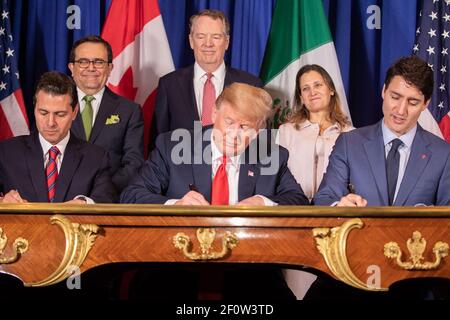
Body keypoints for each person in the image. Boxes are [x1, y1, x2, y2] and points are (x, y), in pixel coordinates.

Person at [121, 83, 308, 300]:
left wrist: (263, 202)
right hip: (175, 266)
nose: (233, 134)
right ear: (214, 113)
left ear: (258, 131)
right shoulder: (172, 147)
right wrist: (176, 205)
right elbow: (132, 195)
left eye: (245, 127)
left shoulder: (273, 155)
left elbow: (298, 202)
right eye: (229, 122)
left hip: (250, 271)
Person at [314, 56, 450, 207]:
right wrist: (339, 206)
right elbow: (325, 198)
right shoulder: (349, 144)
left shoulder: (444, 155)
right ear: (384, 91)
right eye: (395, 97)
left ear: (426, 103)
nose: (400, 110)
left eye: (412, 102)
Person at [277, 64, 353, 299]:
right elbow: (276, 178)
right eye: (305, 88)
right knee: (294, 285)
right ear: (300, 97)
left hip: (335, 223)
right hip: (294, 220)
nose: (312, 92)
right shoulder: (286, 131)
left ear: (330, 88)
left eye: (318, 85)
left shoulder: (352, 134)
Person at [151, 9, 262, 150]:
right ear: (191, 41)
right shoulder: (169, 85)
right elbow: (159, 142)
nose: (208, 43)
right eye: (201, 36)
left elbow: (260, 143)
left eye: (215, 37)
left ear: (226, 42)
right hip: (182, 168)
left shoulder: (251, 85)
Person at [0, 71, 116, 204]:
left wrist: (85, 204)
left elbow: (106, 200)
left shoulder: (96, 157)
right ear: (35, 109)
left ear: (74, 112)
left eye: (60, 114)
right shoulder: (6, 152)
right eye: (43, 113)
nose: (50, 123)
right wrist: (3, 201)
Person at [68, 35, 144, 192]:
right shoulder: (56, 108)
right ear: (71, 68)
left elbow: (134, 162)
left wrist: (102, 191)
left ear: (110, 68)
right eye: (83, 62)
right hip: (61, 198)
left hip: (108, 201)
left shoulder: (129, 111)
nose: (91, 68)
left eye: (99, 62)